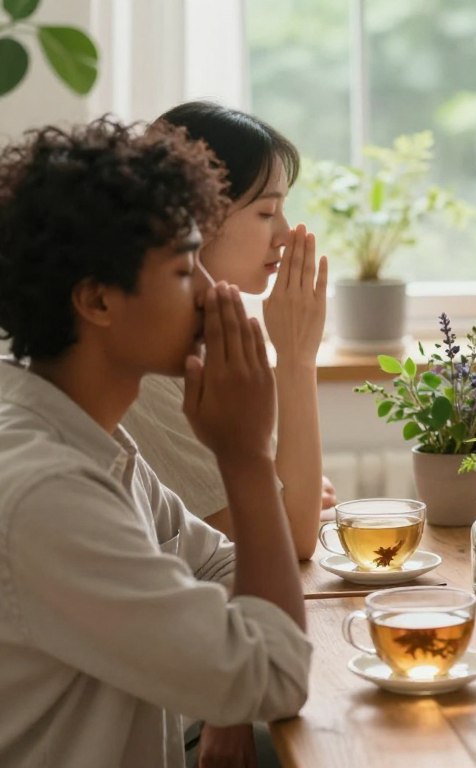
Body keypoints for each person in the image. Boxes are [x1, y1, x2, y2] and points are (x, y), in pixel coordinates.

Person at [0, 118, 309, 767]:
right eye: (182, 268)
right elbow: (277, 677)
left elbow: (223, 566)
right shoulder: (49, 491)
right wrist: (245, 456)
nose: (209, 291)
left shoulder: (89, 438)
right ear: (98, 301)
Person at [120, 101, 332, 563]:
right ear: (197, 216)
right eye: (265, 212)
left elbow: (281, 498)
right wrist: (297, 358)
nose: (284, 233)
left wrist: (288, 491)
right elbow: (292, 537)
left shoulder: (198, 339)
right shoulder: (151, 361)